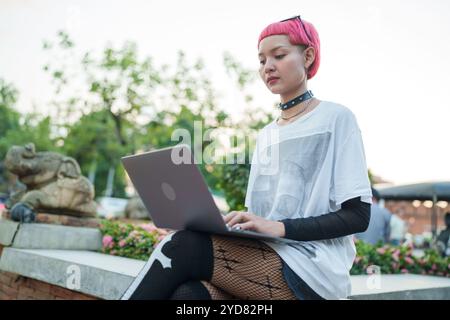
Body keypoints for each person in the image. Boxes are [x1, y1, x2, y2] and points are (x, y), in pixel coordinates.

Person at [122, 15, 372, 300]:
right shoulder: (267, 134)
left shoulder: (336, 118)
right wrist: (232, 223)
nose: (268, 67)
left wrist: (279, 227)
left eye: (279, 55)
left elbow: (358, 215)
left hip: (311, 271)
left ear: (308, 56)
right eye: (262, 60)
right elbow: (261, 215)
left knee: (181, 246)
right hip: (262, 258)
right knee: (189, 296)